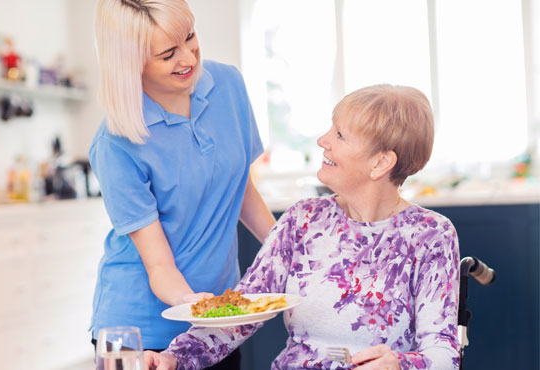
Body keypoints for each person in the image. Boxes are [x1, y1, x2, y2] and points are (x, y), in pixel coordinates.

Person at [145, 84, 460, 370]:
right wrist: (174, 358)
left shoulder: (430, 234)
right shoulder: (303, 219)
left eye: (339, 135)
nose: (323, 141)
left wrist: (400, 365)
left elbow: (443, 352)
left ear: (379, 164)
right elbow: (241, 313)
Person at [89, 0, 276, 368]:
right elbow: (159, 265)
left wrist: (290, 250)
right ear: (132, 63)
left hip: (217, 320)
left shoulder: (228, 86)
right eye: (168, 54)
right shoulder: (116, 143)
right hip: (140, 329)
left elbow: (242, 192)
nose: (189, 57)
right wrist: (197, 305)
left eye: (190, 37)